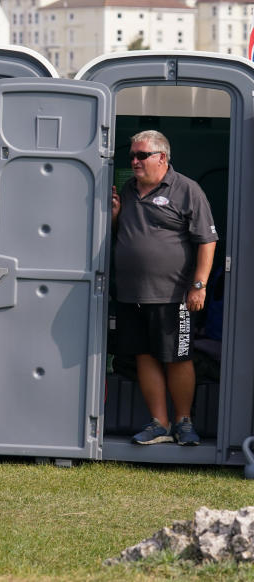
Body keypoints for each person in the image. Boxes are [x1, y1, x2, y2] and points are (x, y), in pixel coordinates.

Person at [112, 130, 217, 446]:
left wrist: (199, 285)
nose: (134, 161)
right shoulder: (129, 190)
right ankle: (159, 423)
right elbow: (126, 234)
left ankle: (184, 423)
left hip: (174, 295)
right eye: (132, 156)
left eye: (141, 155)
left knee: (177, 357)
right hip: (132, 294)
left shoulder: (187, 189)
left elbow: (207, 240)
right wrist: (116, 217)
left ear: (162, 157)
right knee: (144, 356)